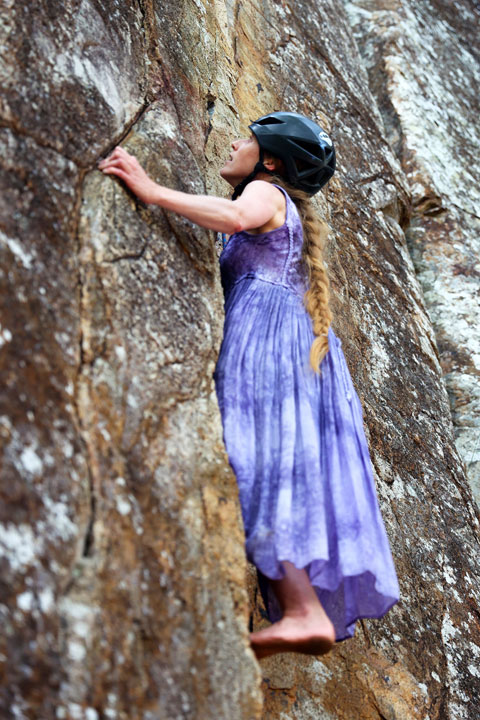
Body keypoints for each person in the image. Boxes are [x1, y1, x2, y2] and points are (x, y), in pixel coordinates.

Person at [98, 111, 400, 661]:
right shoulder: (281, 203)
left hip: (267, 339)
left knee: (255, 459)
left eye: (247, 138)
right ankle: (302, 606)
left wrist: (151, 189)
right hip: (287, 338)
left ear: (268, 160)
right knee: (269, 465)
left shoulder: (264, 192)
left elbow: (235, 218)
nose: (234, 142)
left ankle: (304, 610)